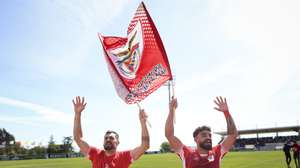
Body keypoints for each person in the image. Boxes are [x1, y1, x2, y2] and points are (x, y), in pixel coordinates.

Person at [72, 96, 149, 168]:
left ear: (118, 142)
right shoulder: (95, 154)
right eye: (106, 138)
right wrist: (78, 114)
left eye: (111, 138)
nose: (108, 139)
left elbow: (145, 146)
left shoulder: (124, 156)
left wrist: (143, 123)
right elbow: (78, 139)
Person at [165, 96, 238, 168]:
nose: (208, 138)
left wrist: (226, 112)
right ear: (196, 139)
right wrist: (171, 110)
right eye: (204, 135)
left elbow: (233, 135)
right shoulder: (186, 153)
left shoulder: (217, 152)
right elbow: (169, 135)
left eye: (210, 135)